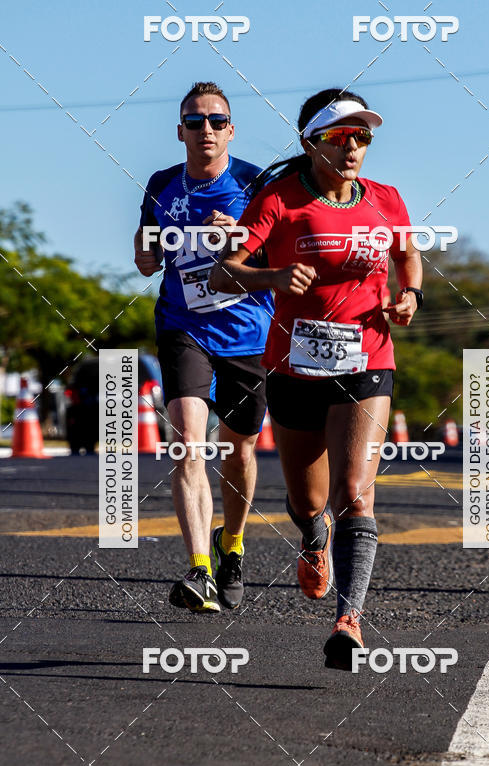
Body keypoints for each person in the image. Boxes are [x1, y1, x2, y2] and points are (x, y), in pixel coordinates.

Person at [210, 88, 422, 668]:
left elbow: (407, 255)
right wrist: (274, 277)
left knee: (354, 492)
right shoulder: (278, 200)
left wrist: (410, 295)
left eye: (362, 136)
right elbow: (225, 274)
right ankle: (313, 536)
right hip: (292, 366)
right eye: (339, 136)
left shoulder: (386, 199)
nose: (353, 147)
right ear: (311, 143)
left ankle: (348, 622)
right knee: (309, 502)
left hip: (367, 360)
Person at [134, 81, 274, 613]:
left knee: (239, 451)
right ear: (180, 131)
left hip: (247, 332)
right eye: (195, 122)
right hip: (183, 326)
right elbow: (146, 242)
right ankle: (199, 570)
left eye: (216, 121)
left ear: (231, 130)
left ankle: (231, 546)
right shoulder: (162, 184)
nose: (206, 130)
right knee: (188, 442)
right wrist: (144, 253)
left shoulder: (255, 183)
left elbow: (282, 251)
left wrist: (241, 236)